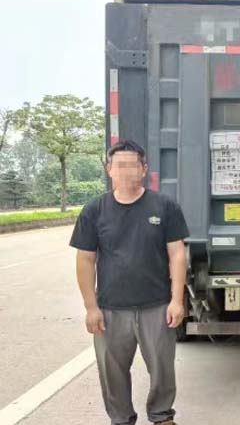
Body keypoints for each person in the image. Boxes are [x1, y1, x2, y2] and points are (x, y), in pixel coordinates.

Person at [70, 140, 189, 425]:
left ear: (144, 169)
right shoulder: (94, 210)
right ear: (109, 169)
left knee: (162, 368)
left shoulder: (165, 207)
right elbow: (85, 260)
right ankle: (121, 419)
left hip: (156, 306)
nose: (126, 171)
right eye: (119, 165)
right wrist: (91, 307)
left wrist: (176, 300)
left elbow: (177, 254)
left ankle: (162, 415)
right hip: (111, 308)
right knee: (111, 372)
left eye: (133, 165)